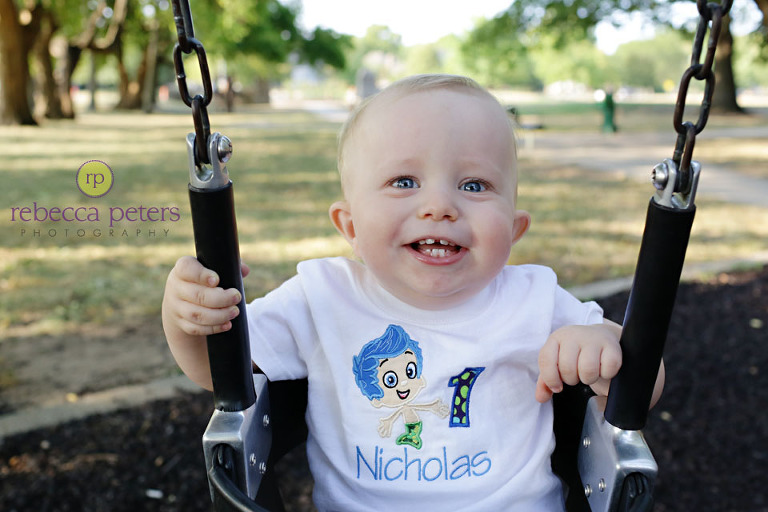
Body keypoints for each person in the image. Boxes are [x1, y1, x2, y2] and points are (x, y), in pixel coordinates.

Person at [162, 74, 664, 511]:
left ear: (514, 231)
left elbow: (643, 386)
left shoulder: (534, 298)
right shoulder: (321, 297)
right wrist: (185, 318)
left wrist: (604, 347)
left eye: (474, 185)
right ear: (350, 226)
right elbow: (219, 373)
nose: (439, 205)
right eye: (404, 181)